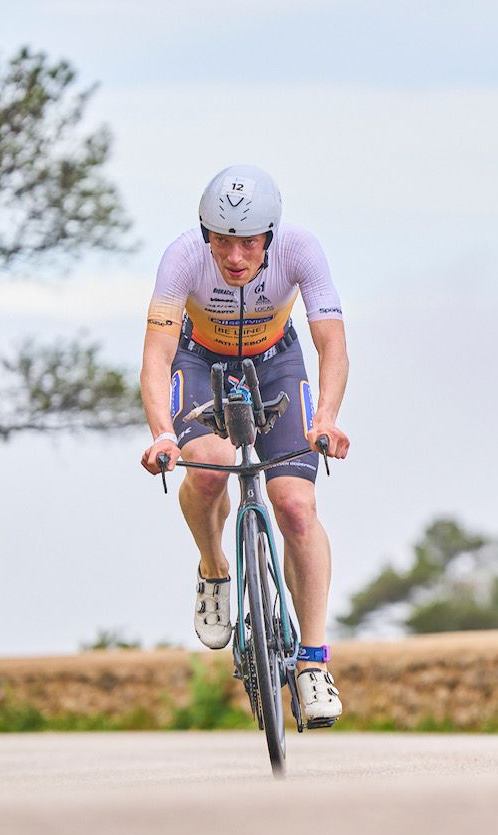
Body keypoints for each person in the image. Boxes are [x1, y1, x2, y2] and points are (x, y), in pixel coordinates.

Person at [139, 165, 350, 726]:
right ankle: (214, 568)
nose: (236, 258)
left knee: (296, 506)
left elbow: (331, 345)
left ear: (271, 237)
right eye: (224, 242)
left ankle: (312, 662)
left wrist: (326, 418)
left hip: (277, 361)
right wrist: (162, 432)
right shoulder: (181, 258)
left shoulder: (301, 249)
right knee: (209, 466)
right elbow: (157, 356)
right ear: (206, 235)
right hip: (199, 359)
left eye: (249, 242)